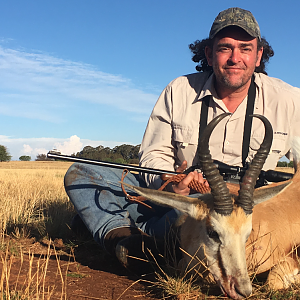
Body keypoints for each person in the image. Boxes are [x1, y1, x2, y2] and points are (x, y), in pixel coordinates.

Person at [64, 7, 300, 274]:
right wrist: (173, 182)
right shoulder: (179, 89)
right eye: (225, 48)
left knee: (204, 223)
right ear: (209, 54)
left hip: (244, 207)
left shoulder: (289, 100)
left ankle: (131, 233)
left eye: (245, 48)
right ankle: (121, 238)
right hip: (186, 197)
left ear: (258, 56)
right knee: (81, 173)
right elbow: (153, 156)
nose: (236, 58)